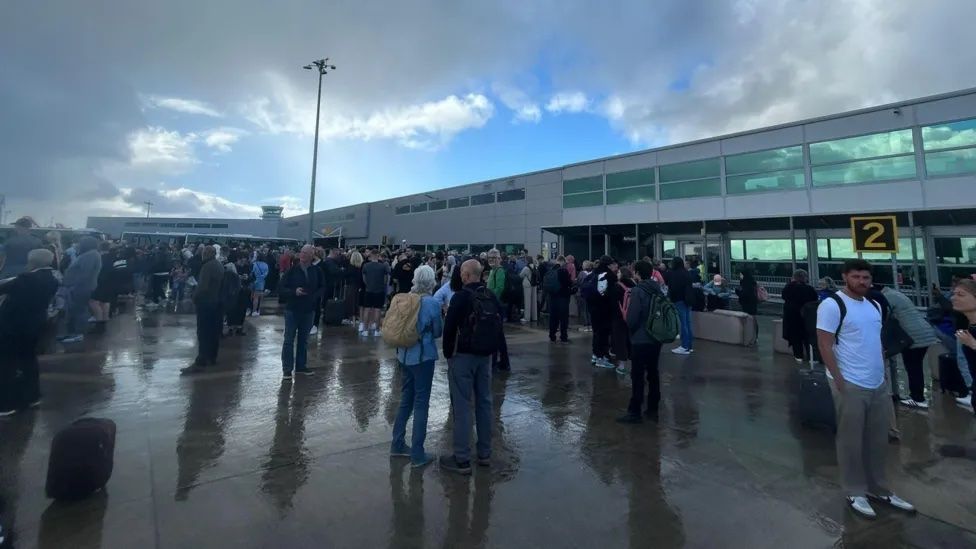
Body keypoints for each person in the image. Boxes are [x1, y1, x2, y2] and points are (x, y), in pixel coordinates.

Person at [816, 259, 915, 519]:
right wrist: (839, 380)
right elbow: (824, 344)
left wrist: (881, 375)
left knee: (877, 439)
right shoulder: (832, 305)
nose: (862, 281)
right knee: (850, 440)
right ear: (845, 277)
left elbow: (874, 341)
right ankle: (854, 490)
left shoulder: (873, 305)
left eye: (866, 277)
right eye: (857, 276)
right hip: (850, 383)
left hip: (876, 382)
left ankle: (878, 488)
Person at [440, 259, 501, 475]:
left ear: (465, 275)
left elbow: (448, 329)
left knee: (462, 406)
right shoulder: (490, 296)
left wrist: (448, 354)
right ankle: (484, 453)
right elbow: (499, 327)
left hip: (463, 357)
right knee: (484, 402)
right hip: (485, 356)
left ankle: (462, 458)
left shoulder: (461, 297)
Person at [390, 265, 442, 468]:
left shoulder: (402, 298)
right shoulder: (431, 303)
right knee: (421, 403)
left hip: (403, 354)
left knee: (406, 400)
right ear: (431, 281)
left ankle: (397, 443)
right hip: (423, 356)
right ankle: (418, 453)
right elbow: (438, 330)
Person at [0, 249, 60, 415]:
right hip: (35, 325)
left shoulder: (25, 279)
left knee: (6, 364)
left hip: (13, 327)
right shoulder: (52, 279)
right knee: (29, 361)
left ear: (32, 262)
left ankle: (6, 404)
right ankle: (33, 396)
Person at [616, 260, 666, 424]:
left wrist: (630, 325)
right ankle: (653, 409)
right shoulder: (657, 289)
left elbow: (632, 318)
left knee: (637, 375)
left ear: (637, 273)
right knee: (653, 373)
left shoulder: (638, 291)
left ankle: (635, 411)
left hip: (640, 338)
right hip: (656, 337)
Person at [881, 286, 938, 410]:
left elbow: (883, 315)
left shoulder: (886, 297)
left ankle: (917, 398)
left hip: (913, 336)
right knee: (916, 366)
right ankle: (917, 396)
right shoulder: (897, 294)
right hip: (925, 332)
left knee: (913, 367)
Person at [278, 245, 324, 380]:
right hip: (292, 309)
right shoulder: (293, 270)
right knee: (288, 340)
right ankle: (287, 369)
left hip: (308, 310)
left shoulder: (316, 270)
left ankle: (301, 366)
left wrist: (314, 297)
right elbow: (281, 287)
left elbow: (323, 286)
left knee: (303, 340)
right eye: (302, 253)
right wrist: (294, 292)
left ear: (312, 255)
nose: (303, 255)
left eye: (306, 253)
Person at [182, 245, 224, 375]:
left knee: (203, 332)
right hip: (217, 303)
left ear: (205, 254)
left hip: (206, 303)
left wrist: (194, 297)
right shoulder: (218, 265)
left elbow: (203, 286)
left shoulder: (207, 266)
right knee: (213, 332)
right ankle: (212, 357)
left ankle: (201, 360)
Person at [58, 236, 101, 344]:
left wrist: (72, 284)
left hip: (80, 287)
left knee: (78, 311)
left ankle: (77, 334)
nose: (78, 244)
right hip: (81, 287)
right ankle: (72, 333)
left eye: (80, 242)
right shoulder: (92, 254)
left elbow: (84, 273)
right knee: (75, 310)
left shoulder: (89, 255)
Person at [587, 256, 619, 368]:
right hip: (604, 309)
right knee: (604, 334)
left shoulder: (593, 274)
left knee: (597, 333)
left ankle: (596, 355)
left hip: (593, 309)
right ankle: (602, 357)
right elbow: (609, 294)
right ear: (609, 265)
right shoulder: (608, 275)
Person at [781, 270, 819, 363]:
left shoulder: (788, 288)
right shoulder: (809, 289)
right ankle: (812, 357)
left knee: (795, 337)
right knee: (808, 337)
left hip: (792, 317)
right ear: (805, 278)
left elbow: (784, 297)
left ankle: (798, 356)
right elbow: (814, 300)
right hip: (807, 317)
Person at [951, 279, 976, 414]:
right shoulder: (970, 325)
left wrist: (973, 344)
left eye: (961, 295)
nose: (954, 298)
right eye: (954, 294)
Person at [665, 257, 694, 355]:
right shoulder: (687, 273)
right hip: (688, 300)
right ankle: (689, 346)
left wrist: (670, 299)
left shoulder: (674, 274)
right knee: (688, 323)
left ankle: (684, 346)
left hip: (679, 300)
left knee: (682, 323)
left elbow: (672, 287)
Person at [611, 267, 637, 375]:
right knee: (631, 339)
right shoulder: (635, 285)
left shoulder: (617, 286)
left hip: (619, 316)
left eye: (619, 273)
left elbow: (612, 302)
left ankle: (621, 366)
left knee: (620, 340)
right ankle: (635, 363)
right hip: (632, 316)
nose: (617, 274)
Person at [361, 249, 390, 337]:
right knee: (378, 310)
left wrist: (369, 284)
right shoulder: (383, 266)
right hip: (379, 290)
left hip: (368, 290)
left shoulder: (365, 266)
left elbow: (364, 279)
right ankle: (377, 330)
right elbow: (386, 279)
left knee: (367, 309)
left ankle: (365, 330)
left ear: (371, 255)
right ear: (378, 255)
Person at [546, 256, 573, 344]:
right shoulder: (563, 271)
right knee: (563, 319)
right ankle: (563, 337)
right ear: (562, 262)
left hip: (552, 297)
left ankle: (552, 336)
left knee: (553, 318)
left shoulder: (550, 271)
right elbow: (568, 283)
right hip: (562, 298)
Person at [222, 262, 246, 336]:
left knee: (230, 314)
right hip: (237, 298)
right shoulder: (236, 276)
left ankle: (230, 329)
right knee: (239, 314)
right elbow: (239, 287)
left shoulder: (224, 276)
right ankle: (239, 328)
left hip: (228, 299)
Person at [344, 250, 364, 326]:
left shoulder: (350, 267)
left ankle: (351, 318)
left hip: (351, 285)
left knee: (350, 302)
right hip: (359, 286)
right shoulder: (361, 267)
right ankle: (357, 318)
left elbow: (345, 275)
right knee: (357, 302)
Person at [520, 256, 538, 324]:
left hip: (527, 284)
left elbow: (521, 275)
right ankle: (534, 317)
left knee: (527, 301)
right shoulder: (535, 267)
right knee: (534, 301)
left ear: (527, 261)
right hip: (534, 284)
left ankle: (527, 318)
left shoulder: (526, 268)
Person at [577, 260, 593, 332]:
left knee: (583, 309)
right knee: (590, 310)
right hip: (591, 294)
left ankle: (585, 325)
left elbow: (578, 282)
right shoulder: (593, 273)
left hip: (583, 294)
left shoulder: (581, 273)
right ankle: (591, 324)